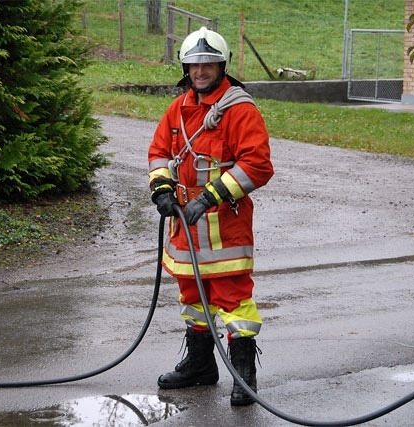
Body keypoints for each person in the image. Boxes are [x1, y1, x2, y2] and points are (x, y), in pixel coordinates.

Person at [147, 26, 274, 406]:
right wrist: (162, 188)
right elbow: (159, 152)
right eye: (194, 65)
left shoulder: (240, 110)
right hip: (184, 224)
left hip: (224, 225)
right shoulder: (179, 108)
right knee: (192, 294)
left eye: (208, 64)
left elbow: (257, 165)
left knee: (233, 297)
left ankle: (244, 375)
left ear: (222, 66)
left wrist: (209, 197)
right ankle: (201, 365)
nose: (200, 71)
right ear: (185, 68)